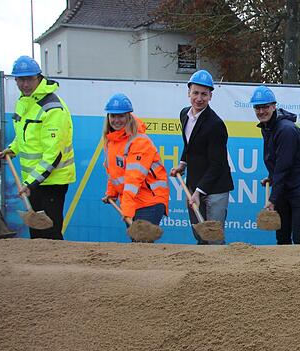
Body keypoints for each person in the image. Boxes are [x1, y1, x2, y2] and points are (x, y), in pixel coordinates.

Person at [0, 55, 75, 240]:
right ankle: (38, 268)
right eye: (20, 79)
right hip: (33, 181)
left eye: (29, 79)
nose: (25, 84)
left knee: (50, 234)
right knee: (37, 235)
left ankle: (56, 268)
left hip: (52, 181)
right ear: (15, 80)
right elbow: (25, 136)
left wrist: (30, 183)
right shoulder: (24, 102)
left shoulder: (52, 108)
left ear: (39, 77)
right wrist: (12, 148)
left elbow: (53, 155)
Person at [170, 70, 233, 245]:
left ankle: (217, 272)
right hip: (194, 183)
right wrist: (182, 164)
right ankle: (202, 270)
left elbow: (218, 164)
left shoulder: (216, 125)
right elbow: (189, 145)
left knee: (213, 237)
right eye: (195, 93)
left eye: (204, 94)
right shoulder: (184, 115)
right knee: (199, 234)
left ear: (210, 96)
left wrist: (198, 192)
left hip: (216, 189)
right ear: (188, 92)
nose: (199, 98)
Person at [251, 85, 300, 245]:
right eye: (257, 108)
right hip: (285, 186)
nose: (261, 111)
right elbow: (278, 160)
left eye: (265, 107)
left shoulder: (286, 130)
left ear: (274, 106)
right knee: (282, 235)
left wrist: (273, 198)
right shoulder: (268, 127)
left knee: (299, 234)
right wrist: (271, 177)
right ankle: (283, 270)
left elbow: (284, 166)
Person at [100, 94, 169, 234]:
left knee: (141, 245)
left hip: (150, 202)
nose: (116, 120)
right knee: (137, 244)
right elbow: (113, 172)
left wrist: (127, 209)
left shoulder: (140, 142)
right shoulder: (111, 141)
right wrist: (111, 193)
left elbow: (133, 179)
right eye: (113, 116)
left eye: (121, 116)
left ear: (129, 116)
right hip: (132, 202)